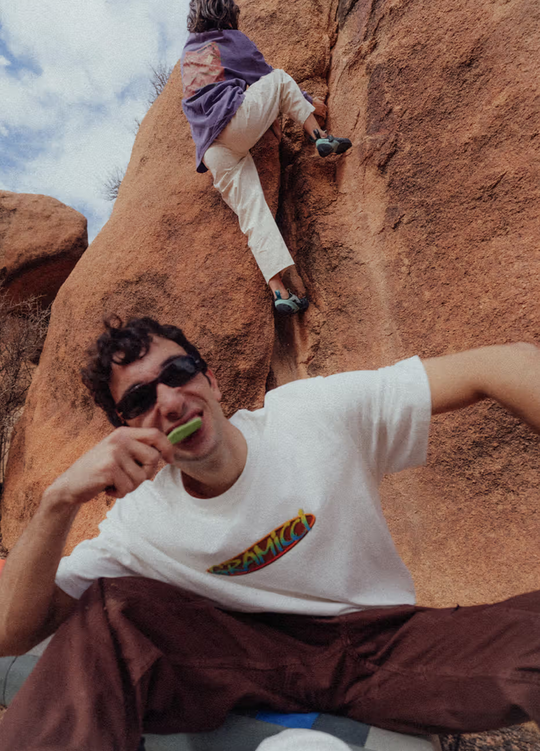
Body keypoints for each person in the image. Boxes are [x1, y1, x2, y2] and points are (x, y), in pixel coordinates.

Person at [0, 315, 539, 751]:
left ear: (210, 381)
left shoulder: (312, 416)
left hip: (386, 646)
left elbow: (499, 364)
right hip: (256, 662)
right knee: (110, 610)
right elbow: (10, 633)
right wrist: (58, 500)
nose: (169, 402)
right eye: (140, 400)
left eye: (179, 372)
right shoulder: (140, 523)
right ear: (127, 431)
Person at [181, 0, 352, 315]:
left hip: (212, 151)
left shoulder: (189, 55)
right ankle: (320, 137)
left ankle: (280, 292)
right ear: (225, 14)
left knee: (253, 215)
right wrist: (308, 101)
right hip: (233, 123)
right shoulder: (227, 38)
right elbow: (263, 74)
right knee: (281, 79)